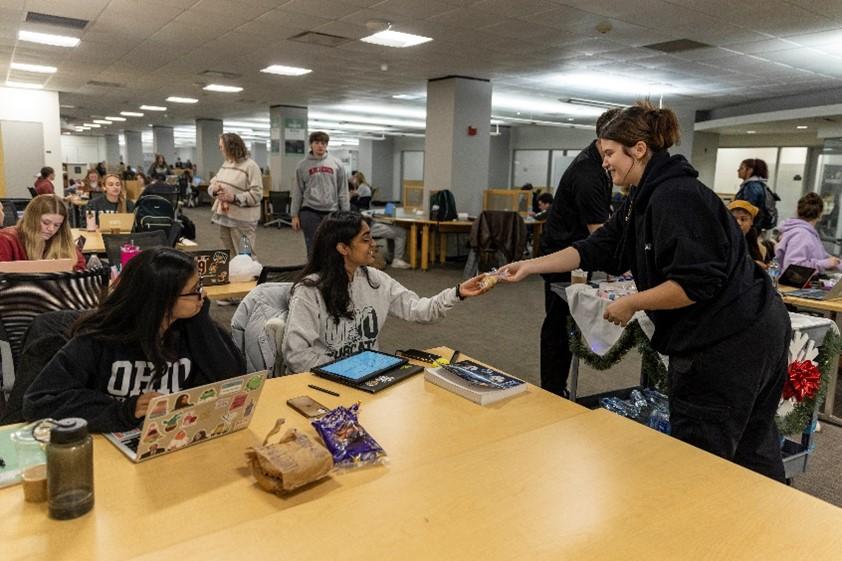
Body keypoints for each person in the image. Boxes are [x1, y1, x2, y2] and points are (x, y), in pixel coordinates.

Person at [499, 102, 790, 481]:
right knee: (753, 443)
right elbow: (597, 245)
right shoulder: (642, 196)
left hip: (730, 341)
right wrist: (531, 266)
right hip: (748, 329)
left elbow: (694, 285)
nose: (604, 163)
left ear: (638, 149)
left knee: (704, 455)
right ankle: (765, 527)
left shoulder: (676, 196)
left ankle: (706, 532)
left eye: (608, 153)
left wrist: (632, 302)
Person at [22, 248, 246, 433]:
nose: (203, 295)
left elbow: (235, 383)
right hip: (111, 446)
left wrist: (200, 319)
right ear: (162, 301)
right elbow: (40, 400)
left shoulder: (192, 329)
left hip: (176, 440)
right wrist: (124, 411)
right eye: (195, 290)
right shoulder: (98, 340)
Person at [282, 211, 490, 373]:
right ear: (343, 248)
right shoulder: (309, 291)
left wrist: (457, 292)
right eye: (365, 239)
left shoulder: (376, 280)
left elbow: (418, 310)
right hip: (327, 383)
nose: (373, 244)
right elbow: (297, 356)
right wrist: (349, 370)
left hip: (368, 377)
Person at [537, 108, 618, 398]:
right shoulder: (588, 174)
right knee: (559, 326)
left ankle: (555, 387)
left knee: (563, 324)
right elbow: (600, 233)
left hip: (576, 252)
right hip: (564, 256)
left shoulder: (599, 164)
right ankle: (553, 390)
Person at [292, 131, 349, 258]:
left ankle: (329, 273)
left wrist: (346, 214)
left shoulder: (337, 164)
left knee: (331, 245)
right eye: (317, 143)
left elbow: (343, 191)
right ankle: (313, 273)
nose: (320, 146)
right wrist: (294, 215)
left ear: (327, 145)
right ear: (311, 145)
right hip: (309, 211)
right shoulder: (302, 165)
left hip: (331, 211)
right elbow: (297, 191)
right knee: (313, 245)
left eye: (323, 143)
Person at [207, 133, 263, 258]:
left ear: (231, 147)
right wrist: (214, 190)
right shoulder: (227, 164)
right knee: (229, 255)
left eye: (221, 146)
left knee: (245, 256)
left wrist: (234, 197)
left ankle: (250, 277)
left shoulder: (251, 166)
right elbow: (212, 184)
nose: (220, 149)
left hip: (243, 221)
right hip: (225, 217)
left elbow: (257, 194)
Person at [0, 194, 86, 270]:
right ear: (31, 219)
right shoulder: (6, 239)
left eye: (57, 225)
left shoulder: (61, 238)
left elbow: (79, 269)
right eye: (46, 223)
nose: (51, 229)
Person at [776, 192, 841, 273]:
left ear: (797, 211)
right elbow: (793, 268)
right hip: (792, 285)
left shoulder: (808, 233)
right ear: (820, 215)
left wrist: (835, 263)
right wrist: (824, 264)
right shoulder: (801, 234)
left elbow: (822, 256)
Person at [728, 200, 774, 269]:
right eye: (733, 219)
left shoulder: (759, 246)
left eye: (743, 219)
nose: (738, 223)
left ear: (751, 222)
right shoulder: (722, 240)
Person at [734, 158, 771, 228]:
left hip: (748, 225)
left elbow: (747, 208)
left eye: (741, 168)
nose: (738, 170)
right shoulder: (757, 185)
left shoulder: (751, 187)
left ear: (750, 170)